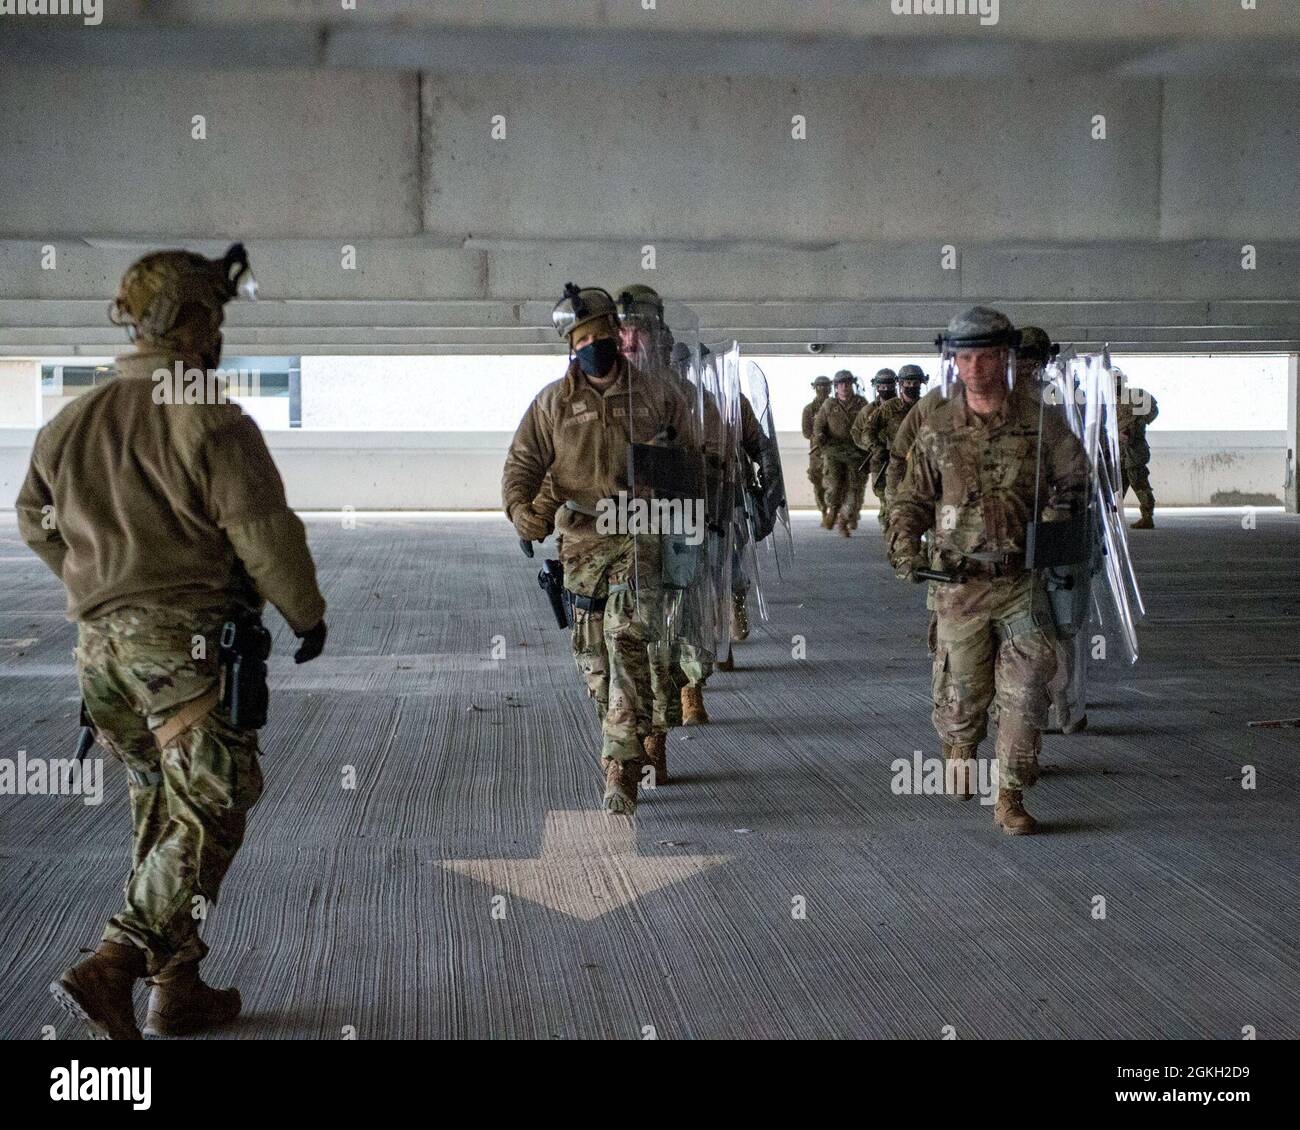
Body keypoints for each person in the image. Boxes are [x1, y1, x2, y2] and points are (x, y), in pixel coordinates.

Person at [17, 244, 328, 1039]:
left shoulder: (70, 420)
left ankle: (177, 988)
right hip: (183, 651)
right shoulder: (207, 413)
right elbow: (261, 529)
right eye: (214, 316)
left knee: (162, 810)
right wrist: (305, 614)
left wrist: (96, 583)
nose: (220, 332)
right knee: (219, 797)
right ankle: (113, 964)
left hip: (99, 659)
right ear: (190, 321)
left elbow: (34, 519)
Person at [888, 306, 1087, 835]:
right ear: (954, 362)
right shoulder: (936, 427)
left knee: (1025, 693)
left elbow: (1075, 483)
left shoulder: (1042, 423)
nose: (975, 368)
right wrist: (904, 542)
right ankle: (960, 745)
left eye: (987, 357)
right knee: (962, 694)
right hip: (958, 584)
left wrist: (1054, 523)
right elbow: (911, 499)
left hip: (1022, 582)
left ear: (1007, 359)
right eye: (965, 357)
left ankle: (1011, 796)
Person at [502, 284, 692, 814]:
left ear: (614, 332)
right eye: (583, 338)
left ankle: (620, 767)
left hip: (640, 535)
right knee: (595, 661)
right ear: (571, 346)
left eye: (602, 333)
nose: (595, 345)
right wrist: (524, 514)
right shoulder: (552, 405)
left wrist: (674, 478)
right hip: (581, 543)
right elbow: (522, 466)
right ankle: (632, 734)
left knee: (626, 638)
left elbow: (692, 463)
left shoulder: (656, 395)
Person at [856, 364, 927, 529]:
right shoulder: (888, 408)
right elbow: (867, 431)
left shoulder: (926, 406)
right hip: (896, 464)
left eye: (915, 383)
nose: (911, 387)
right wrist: (877, 448)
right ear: (900, 384)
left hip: (923, 464)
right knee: (893, 507)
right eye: (907, 383)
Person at [813, 370, 869, 537]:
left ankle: (844, 520)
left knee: (854, 487)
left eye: (847, 384)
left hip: (855, 452)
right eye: (841, 384)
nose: (844, 387)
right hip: (834, 451)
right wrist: (821, 437)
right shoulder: (829, 405)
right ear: (836, 387)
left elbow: (869, 424)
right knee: (834, 484)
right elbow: (818, 425)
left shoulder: (861, 403)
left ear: (852, 385)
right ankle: (833, 510)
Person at [1114, 368, 1159, 528]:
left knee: (1139, 483)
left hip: (1134, 449)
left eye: (1117, 380)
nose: (1115, 383)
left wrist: (1139, 423)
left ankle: (1147, 517)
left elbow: (1153, 409)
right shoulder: (1110, 400)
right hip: (1119, 451)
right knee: (1118, 487)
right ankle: (1114, 518)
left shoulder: (1136, 395)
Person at [801, 376, 832, 520]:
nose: (823, 389)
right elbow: (806, 431)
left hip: (834, 450)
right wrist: (817, 436)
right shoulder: (809, 409)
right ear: (815, 388)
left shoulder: (837, 407)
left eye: (826, 386)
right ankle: (823, 509)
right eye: (820, 386)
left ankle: (834, 509)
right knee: (817, 481)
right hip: (816, 452)